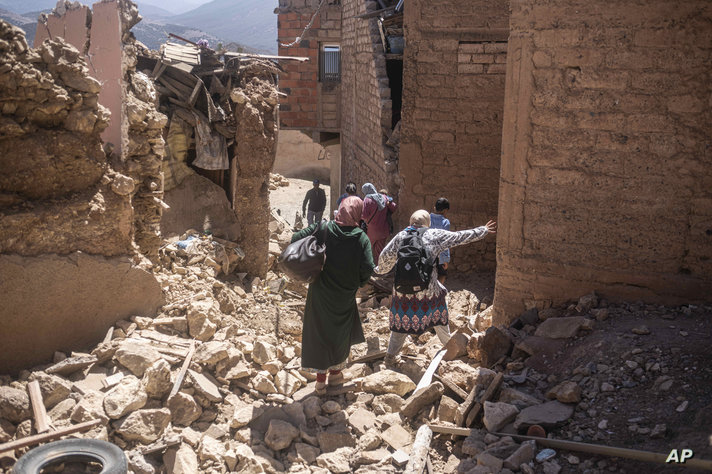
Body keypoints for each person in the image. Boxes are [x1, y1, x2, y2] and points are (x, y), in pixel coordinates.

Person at [375, 210, 496, 366]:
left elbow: (384, 263)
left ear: (411, 222)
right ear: (428, 222)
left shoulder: (400, 237)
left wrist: (377, 270)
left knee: (399, 325)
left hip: (402, 292)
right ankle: (451, 347)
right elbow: (459, 237)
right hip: (428, 291)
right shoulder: (434, 235)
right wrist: (482, 230)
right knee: (440, 317)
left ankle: (390, 357)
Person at [291, 196, 375, 394]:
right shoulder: (361, 237)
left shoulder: (324, 228)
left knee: (319, 332)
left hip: (320, 291)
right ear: (358, 213)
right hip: (345, 294)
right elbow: (368, 267)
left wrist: (315, 253)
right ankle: (335, 375)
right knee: (340, 333)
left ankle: (320, 381)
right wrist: (358, 282)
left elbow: (295, 239)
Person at [361, 183, 397, 265]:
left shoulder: (367, 199)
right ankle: (379, 270)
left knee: (367, 249)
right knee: (380, 251)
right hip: (383, 230)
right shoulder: (384, 197)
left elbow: (364, 216)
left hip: (371, 231)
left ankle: (368, 268)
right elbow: (394, 207)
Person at [430, 198, 451, 284]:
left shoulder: (427, 218)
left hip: (428, 253)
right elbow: (444, 242)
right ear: (446, 210)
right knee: (442, 275)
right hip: (439, 254)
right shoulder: (445, 222)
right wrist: (444, 259)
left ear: (434, 208)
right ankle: (438, 294)